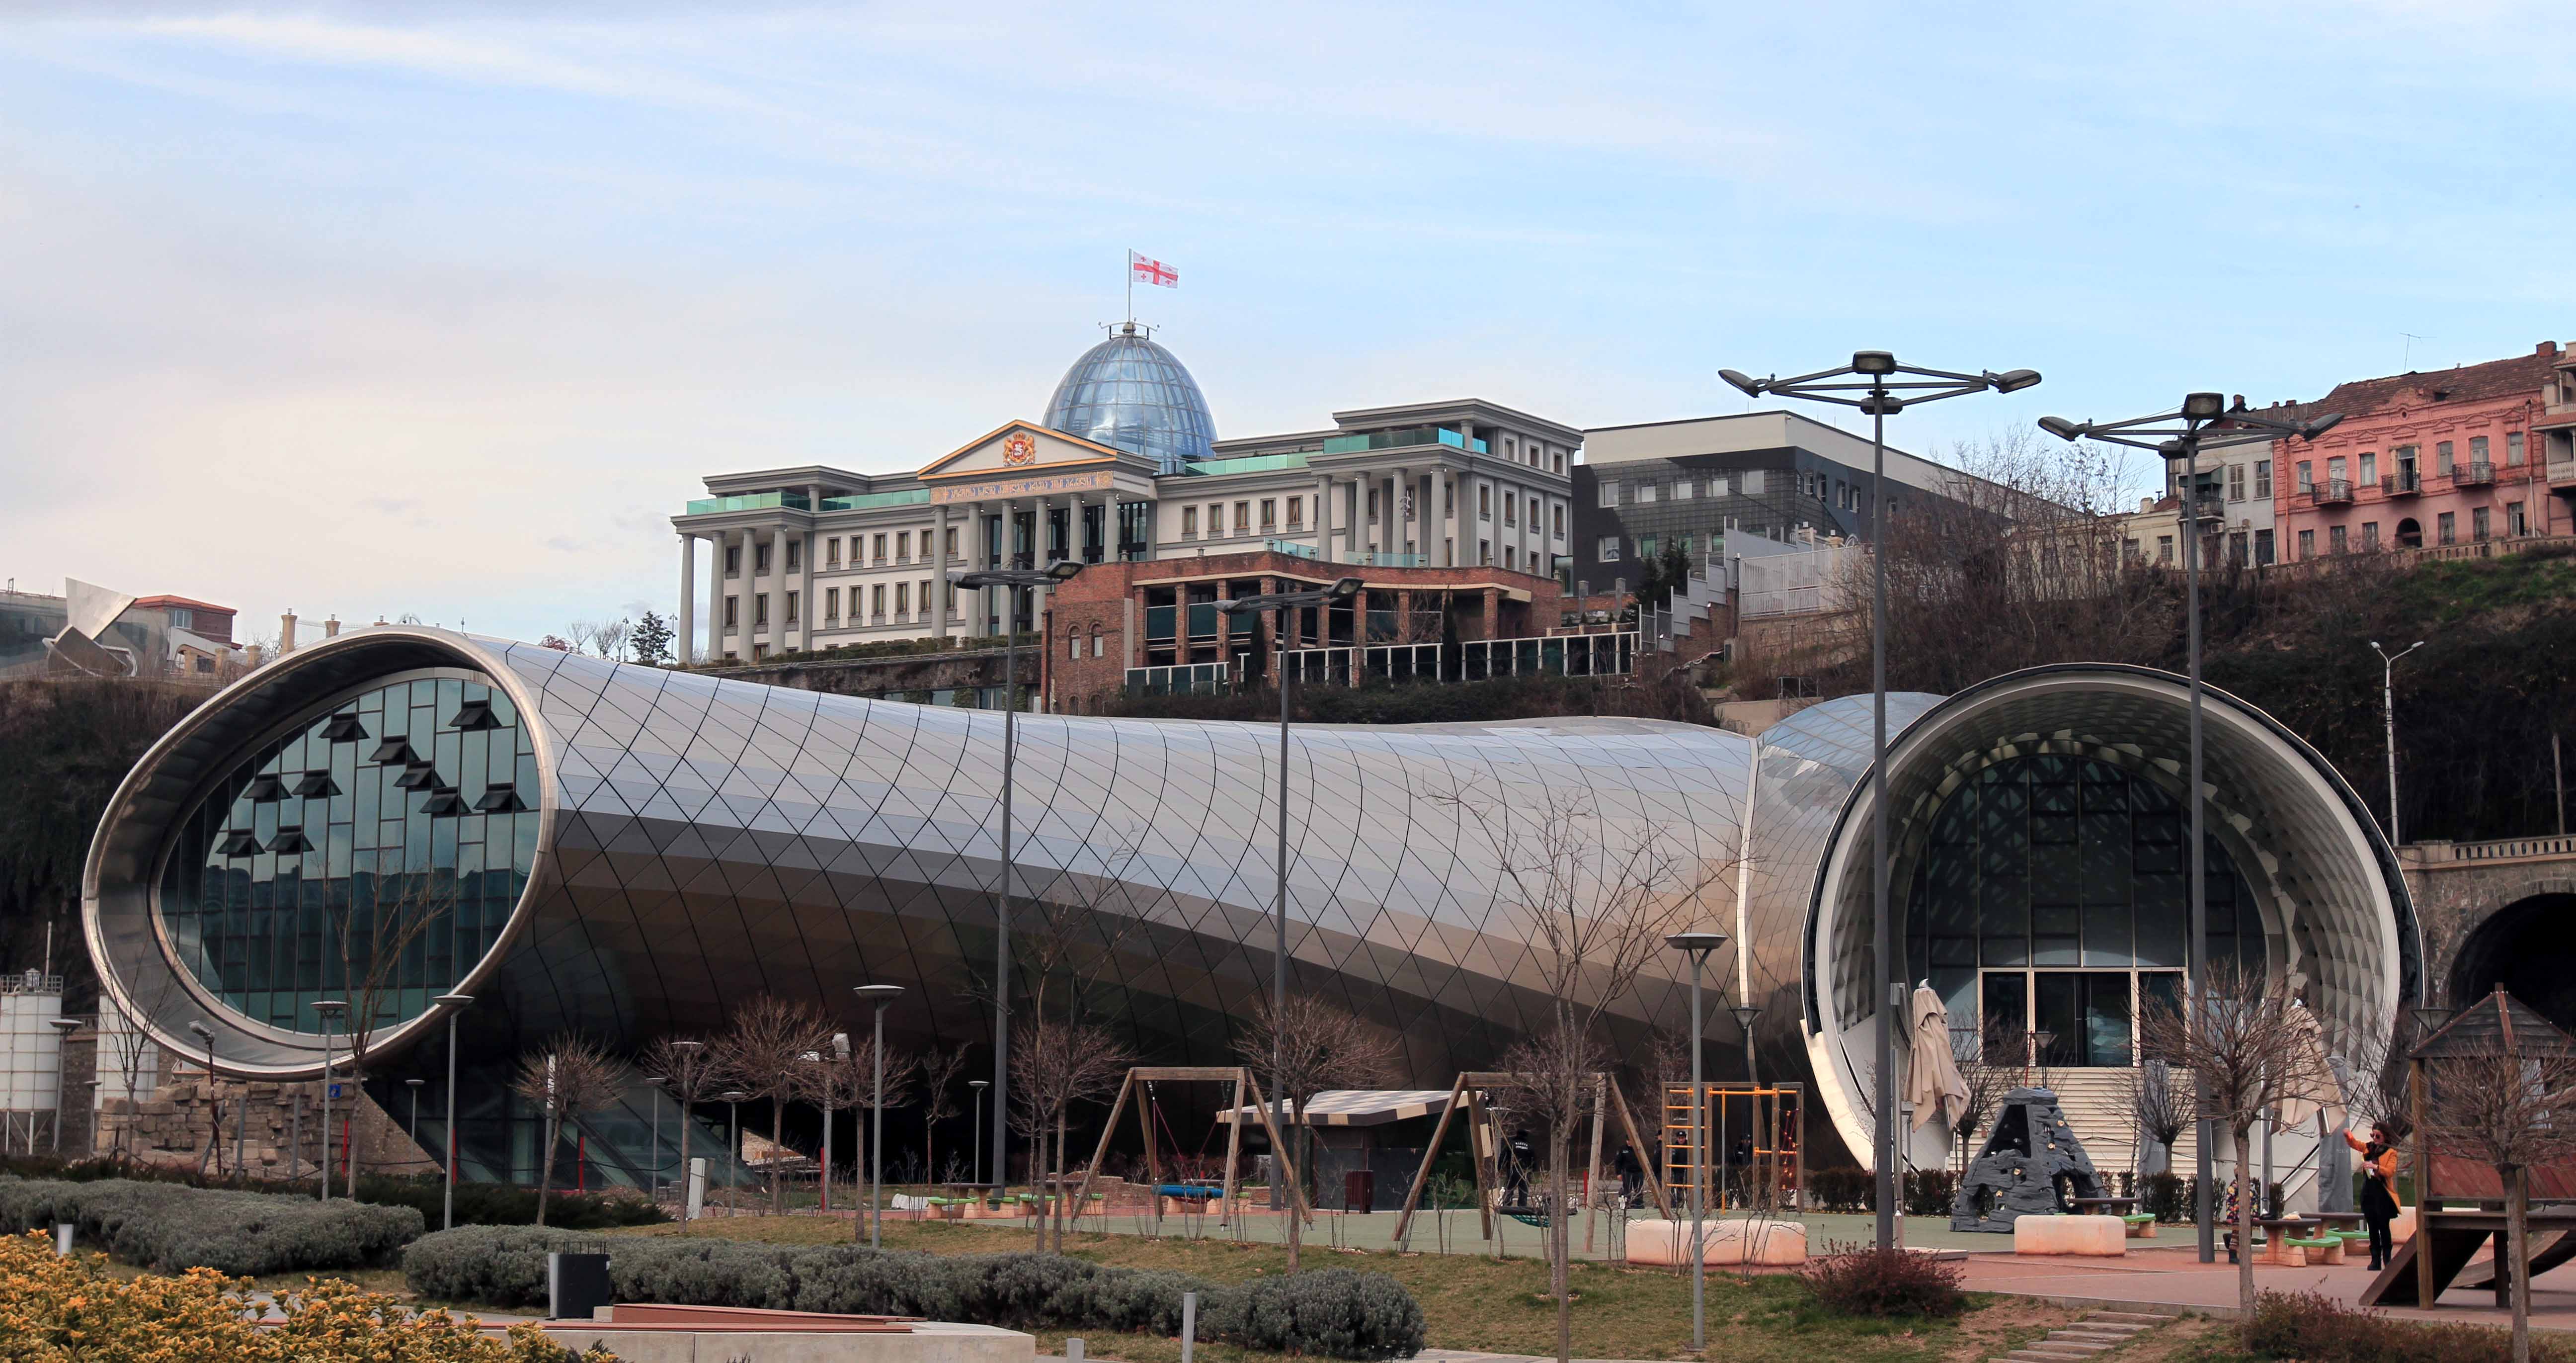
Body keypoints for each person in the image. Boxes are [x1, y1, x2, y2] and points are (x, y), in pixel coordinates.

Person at [2347, 1121, 2401, 1271]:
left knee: (2384, 1227)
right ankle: (2375, 1260)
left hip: (2382, 1195)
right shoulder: (2368, 1147)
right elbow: (2354, 1143)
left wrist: (2375, 1167)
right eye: (2373, 1135)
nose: (2375, 1139)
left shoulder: (2391, 1153)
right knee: (2372, 1227)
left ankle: (2388, 1260)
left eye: (2378, 1136)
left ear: (2385, 1137)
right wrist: (2347, 1135)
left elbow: (2390, 1172)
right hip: (2369, 1193)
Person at [1612, 1141, 1643, 1206]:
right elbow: (1618, 1162)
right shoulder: (1623, 1149)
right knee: (1627, 1188)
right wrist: (1618, 1173)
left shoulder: (1639, 1148)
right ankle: (1627, 1203)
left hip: (1638, 1171)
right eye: (1628, 1141)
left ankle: (1638, 1204)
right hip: (1627, 1172)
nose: (1629, 1142)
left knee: (1639, 1188)